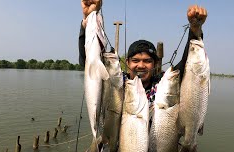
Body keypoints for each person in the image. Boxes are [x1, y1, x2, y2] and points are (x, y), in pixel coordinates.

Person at [79, 0, 207, 107]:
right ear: (127, 62)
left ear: (156, 64)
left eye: (147, 61)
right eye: (135, 60)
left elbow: (186, 68)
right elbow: (91, 63)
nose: (141, 65)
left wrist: (195, 31)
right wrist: (89, 19)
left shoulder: (164, 84)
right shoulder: (117, 82)